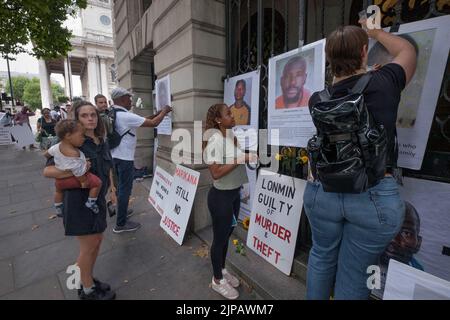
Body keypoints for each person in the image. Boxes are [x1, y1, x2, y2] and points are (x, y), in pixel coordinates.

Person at [303, 24, 417, 300]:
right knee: (355, 272)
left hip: (323, 191)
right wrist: (374, 32)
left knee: (320, 257)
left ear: (329, 59)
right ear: (365, 52)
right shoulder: (385, 81)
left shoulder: (318, 99)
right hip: (373, 195)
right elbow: (407, 50)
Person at [43, 101, 116, 300]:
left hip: (97, 198)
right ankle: (86, 288)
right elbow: (47, 171)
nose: (90, 118)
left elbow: (108, 167)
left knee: (98, 240)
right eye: (84, 115)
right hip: (78, 201)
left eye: (93, 114)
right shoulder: (69, 143)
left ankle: (87, 278)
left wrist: (112, 190)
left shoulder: (102, 139)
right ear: (76, 119)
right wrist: (75, 169)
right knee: (89, 245)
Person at [203, 103, 256, 300]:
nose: (232, 116)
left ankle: (222, 270)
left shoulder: (230, 136)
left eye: (232, 113)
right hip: (221, 199)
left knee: (225, 237)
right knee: (219, 240)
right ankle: (217, 281)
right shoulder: (214, 140)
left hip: (233, 195)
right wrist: (239, 159)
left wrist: (248, 159)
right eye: (228, 114)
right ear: (218, 120)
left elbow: (237, 160)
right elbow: (216, 173)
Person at [110, 87, 172, 233]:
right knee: (125, 190)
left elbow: (145, 120)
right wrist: (164, 111)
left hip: (114, 156)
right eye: (129, 98)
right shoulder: (125, 116)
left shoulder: (113, 112)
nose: (131, 101)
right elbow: (153, 123)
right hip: (124, 158)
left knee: (120, 188)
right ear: (122, 99)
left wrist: (158, 113)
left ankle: (122, 212)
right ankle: (121, 224)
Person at [45, 120, 102, 217]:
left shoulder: (56, 147)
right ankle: (91, 202)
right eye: (81, 136)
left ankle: (58, 207)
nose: (83, 138)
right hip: (73, 180)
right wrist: (84, 179)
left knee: (58, 191)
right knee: (97, 183)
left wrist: (48, 157)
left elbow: (47, 154)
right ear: (68, 136)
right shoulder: (74, 153)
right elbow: (78, 172)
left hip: (59, 181)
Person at [373, 201, 423, 298]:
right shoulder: (358, 256)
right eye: (386, 228)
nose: (393, 240)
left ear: (418, 243)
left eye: (406, 233)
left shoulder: (419, 275)